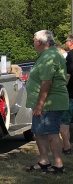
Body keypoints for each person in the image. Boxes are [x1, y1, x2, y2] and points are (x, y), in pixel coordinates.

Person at [25, 30, 68, 173]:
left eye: (33, 40)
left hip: (50, 103)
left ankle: (58, 165)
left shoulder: (50, 57)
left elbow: (46, 82)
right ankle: (44, 161)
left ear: (39, 42)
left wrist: (40, 105)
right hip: (43, 103)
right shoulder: (46, 55)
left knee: (51, 133)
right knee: (39, 132)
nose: (33, 43)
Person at [61, 34, 73, 154]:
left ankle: (67, 147)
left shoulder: (70, 56)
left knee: (64, 122)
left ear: (71, 43)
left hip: (70, 94)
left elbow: (67, 75)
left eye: (66, 41)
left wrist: (62, 87)